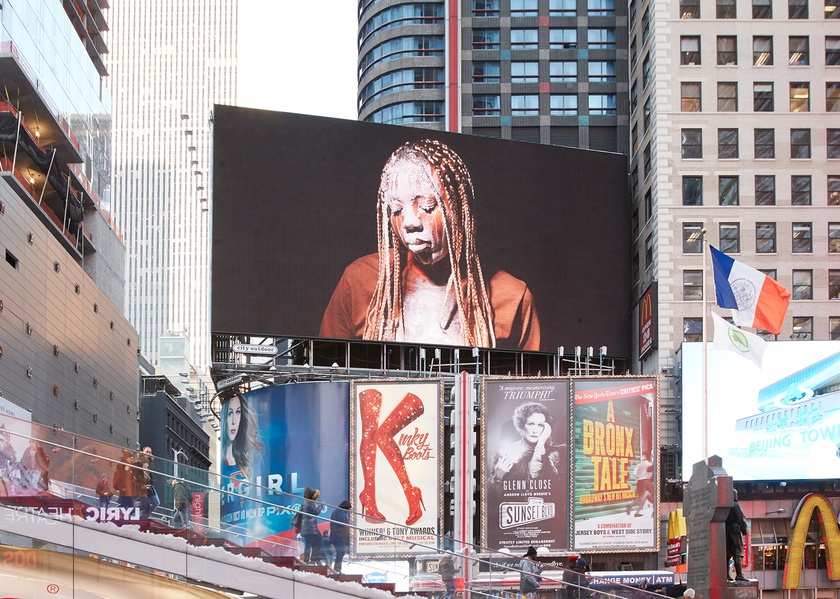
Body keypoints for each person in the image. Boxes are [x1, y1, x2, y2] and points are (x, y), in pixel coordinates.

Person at [320, 138, 540, 350]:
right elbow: (326, 371)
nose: (409, 223)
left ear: (459, 209)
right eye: (396, 210)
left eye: (426, 207)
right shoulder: (361, 278)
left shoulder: (512, 295)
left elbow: (533, 384)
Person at [490, 402, 562, 483]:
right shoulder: (505, 453)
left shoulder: (556, 454)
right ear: (521, 425)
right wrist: (497, 477)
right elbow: (492, 493)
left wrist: (541, 443)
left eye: (540, 425)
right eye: (531, 424)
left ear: (546, 428)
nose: (535, 430)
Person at [221, 393, 264, 479]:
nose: (234, 421)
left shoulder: (253, 456)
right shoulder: (223, 464)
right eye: (230, 413)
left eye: (238, 412)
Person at [726, 489, 749, 582]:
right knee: (737, 553)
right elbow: (741, 519)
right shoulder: (735, 505)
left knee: (727, 554)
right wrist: (745, 530)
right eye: (736, 494)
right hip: (735, 532)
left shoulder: (724, 506)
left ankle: (726, 575)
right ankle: (739, 574)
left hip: (726, 532)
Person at [300, 486, 323, 563]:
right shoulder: (308, 503)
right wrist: (320, 507)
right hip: (309, 527)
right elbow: (315, 512)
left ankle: (313, 559)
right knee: (310, 544)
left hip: (309, 526)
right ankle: (309, 560)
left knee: (314, 543)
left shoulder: (306, 502)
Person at [330, 499, 352, 572]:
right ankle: (337, 569)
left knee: (340, 553)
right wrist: (347, 525)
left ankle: (337, 569)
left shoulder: (336, 511)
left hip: (335, 536)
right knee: (340, 553)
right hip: (339, 536)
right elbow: (341, 523)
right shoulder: (341, 512)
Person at [141, 446, 160, 516]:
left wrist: (152, 482)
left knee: (156, 502)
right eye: (147, 452)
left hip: (150, 485)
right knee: (144, 503)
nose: (148, 453)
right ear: (143, 452)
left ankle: (144, 514)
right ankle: (141, 515)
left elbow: (153, 474)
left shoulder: (151, 462)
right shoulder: (139, 460)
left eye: (150, 452)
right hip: (142, 485)